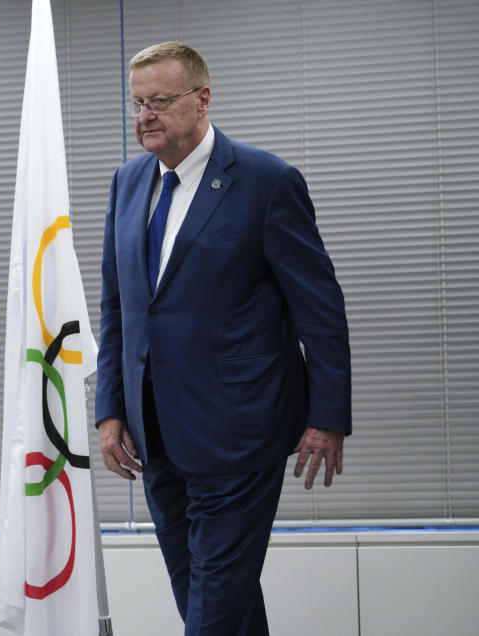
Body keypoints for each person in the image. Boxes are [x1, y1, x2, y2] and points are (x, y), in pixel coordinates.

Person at [95, 42, 351, 635]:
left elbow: (321, 308)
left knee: (211, 610)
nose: (145, 116)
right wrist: (110, 410)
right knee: (211, 598)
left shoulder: (266, 181)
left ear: (202, 99)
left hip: (241, 431)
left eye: (160, 100)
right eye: (137, 103)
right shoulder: (128, 184)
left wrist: (327, 415)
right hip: (154, 435)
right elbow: (118, 308)